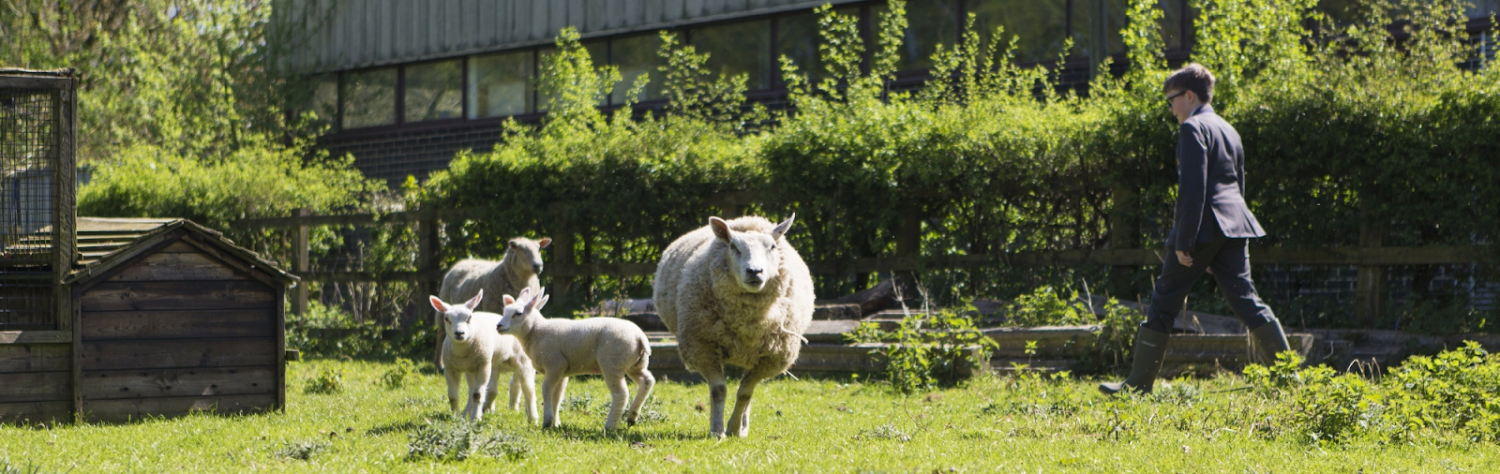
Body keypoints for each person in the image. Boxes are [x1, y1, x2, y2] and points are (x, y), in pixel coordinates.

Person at [1099, 64, 1291, 395]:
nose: (1171, 108)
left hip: (1203, 227)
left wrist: (1183, 241)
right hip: (1235, 224)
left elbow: (1193, 188)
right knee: (1247, 299)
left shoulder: (1193, 128)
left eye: (1171, 100)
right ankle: (1289, 378)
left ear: (1189, 95)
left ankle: (1137, 385)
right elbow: (1238, 183)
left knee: (1164, 300)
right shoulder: (1228, 129)